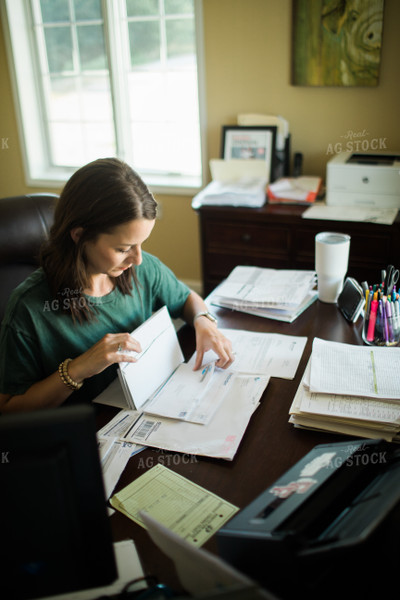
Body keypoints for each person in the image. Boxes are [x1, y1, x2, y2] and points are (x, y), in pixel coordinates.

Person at [0, 158, 234, 413]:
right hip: (88, 431)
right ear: (79, 236)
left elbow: (186, 298)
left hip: (144, 410)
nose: (138, 258)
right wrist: (78, 368)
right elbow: (10, 408)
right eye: (123, 249)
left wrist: (203, 320)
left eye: (141, 243)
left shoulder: (142, 269)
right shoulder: (29, 309)